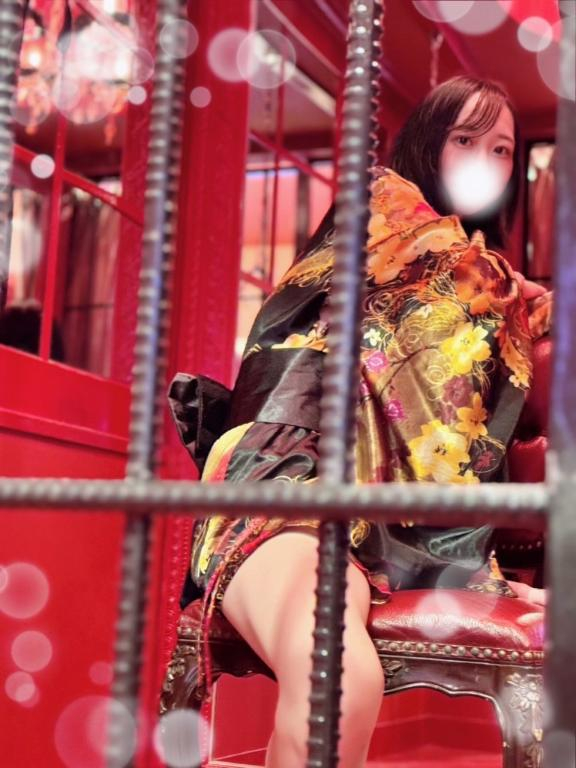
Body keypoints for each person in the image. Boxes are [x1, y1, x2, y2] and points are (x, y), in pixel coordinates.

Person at [168, 76, 552, 767]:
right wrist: (505, 288)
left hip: (388, 529)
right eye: (465, 139)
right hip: (288, 479)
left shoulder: (487, 283)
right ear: (427, 144)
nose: (484, 161)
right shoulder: (375, 217)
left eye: (501, 149)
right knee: (335, 681)